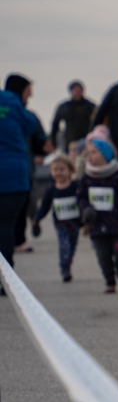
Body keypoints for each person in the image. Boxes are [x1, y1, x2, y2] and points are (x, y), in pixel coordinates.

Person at [77, 139, 118, 293]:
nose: (90, 156)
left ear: (105, 154)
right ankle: (110, 281)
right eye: (88, 153)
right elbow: (81, 196)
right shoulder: (87, 177)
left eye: (94, 152)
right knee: (103, 256)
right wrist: (85, 209)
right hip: (96, 225)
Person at [0, 78, 38, 269]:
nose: (30, 95)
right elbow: (32, 124)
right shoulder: (11, 101)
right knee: (6, 226)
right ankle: (5, 277)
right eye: (28, 91)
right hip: (13, 175)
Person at [32, 156, 81, 281]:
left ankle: (68, 262)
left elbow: (84, 202)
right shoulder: (51, 190)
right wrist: (37, 219)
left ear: (70, 170)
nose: (58, 173)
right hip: (61, 224)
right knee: (64, 245)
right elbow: (44, 207)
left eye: (62, 169)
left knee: (72, 246)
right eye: (55, 170)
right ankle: (65, 268)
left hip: (75, 223)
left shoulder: (76, 186)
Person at [50, 81, 96, 152]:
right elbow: (55, 124)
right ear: (71, 91)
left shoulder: (90, 106)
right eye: (75, 90)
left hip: (88, 141)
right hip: (70, 142)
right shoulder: (64, 107)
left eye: (79, 90)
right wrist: (53, 142)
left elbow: (98, 122)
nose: (77, 92)